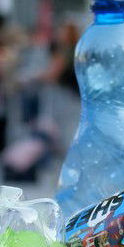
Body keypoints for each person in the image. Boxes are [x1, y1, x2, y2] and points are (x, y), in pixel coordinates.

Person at [39, 21, 81, 155]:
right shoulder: (75, 49)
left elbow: (52, 73)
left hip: (68, 97)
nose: (58, 34)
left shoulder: (67, 50)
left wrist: (31, 77)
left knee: (67, 132)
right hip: (73, 96)